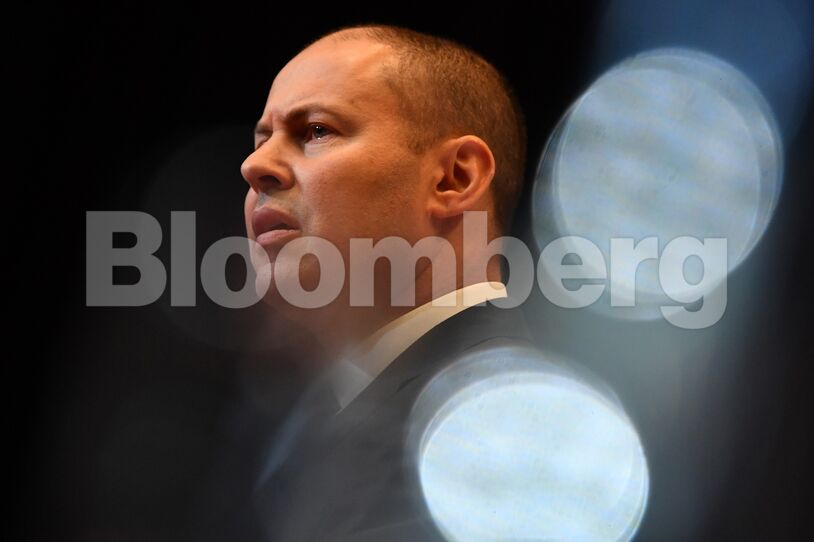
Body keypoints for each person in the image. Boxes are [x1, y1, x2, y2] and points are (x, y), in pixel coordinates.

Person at [241, 23, 531, 541]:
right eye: (262, 140)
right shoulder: (296, 415)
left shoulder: (509, 417)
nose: (254, 165)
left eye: (316, 131)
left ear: (454, 179)